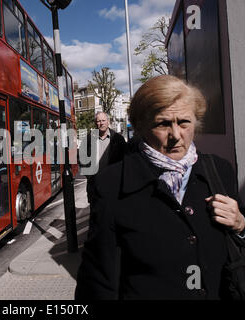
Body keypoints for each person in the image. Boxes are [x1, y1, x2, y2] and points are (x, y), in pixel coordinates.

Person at [75, 75, 245, 300]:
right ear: (141, 127)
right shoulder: (112, 184)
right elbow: (97, 281)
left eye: (184, 122)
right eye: (163, 123)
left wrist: (241, 225)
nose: (176, 135)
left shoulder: (220, 171)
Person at [80, 111, 126, 204]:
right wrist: (90, 176)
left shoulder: (118, 139)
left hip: (113, 185)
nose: (101, 123)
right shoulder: (89, 138)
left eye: (103, 120)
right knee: (96, 214)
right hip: (95, 186)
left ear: (108, 122)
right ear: (95, 123)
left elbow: (125, 160)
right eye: (98, 121)